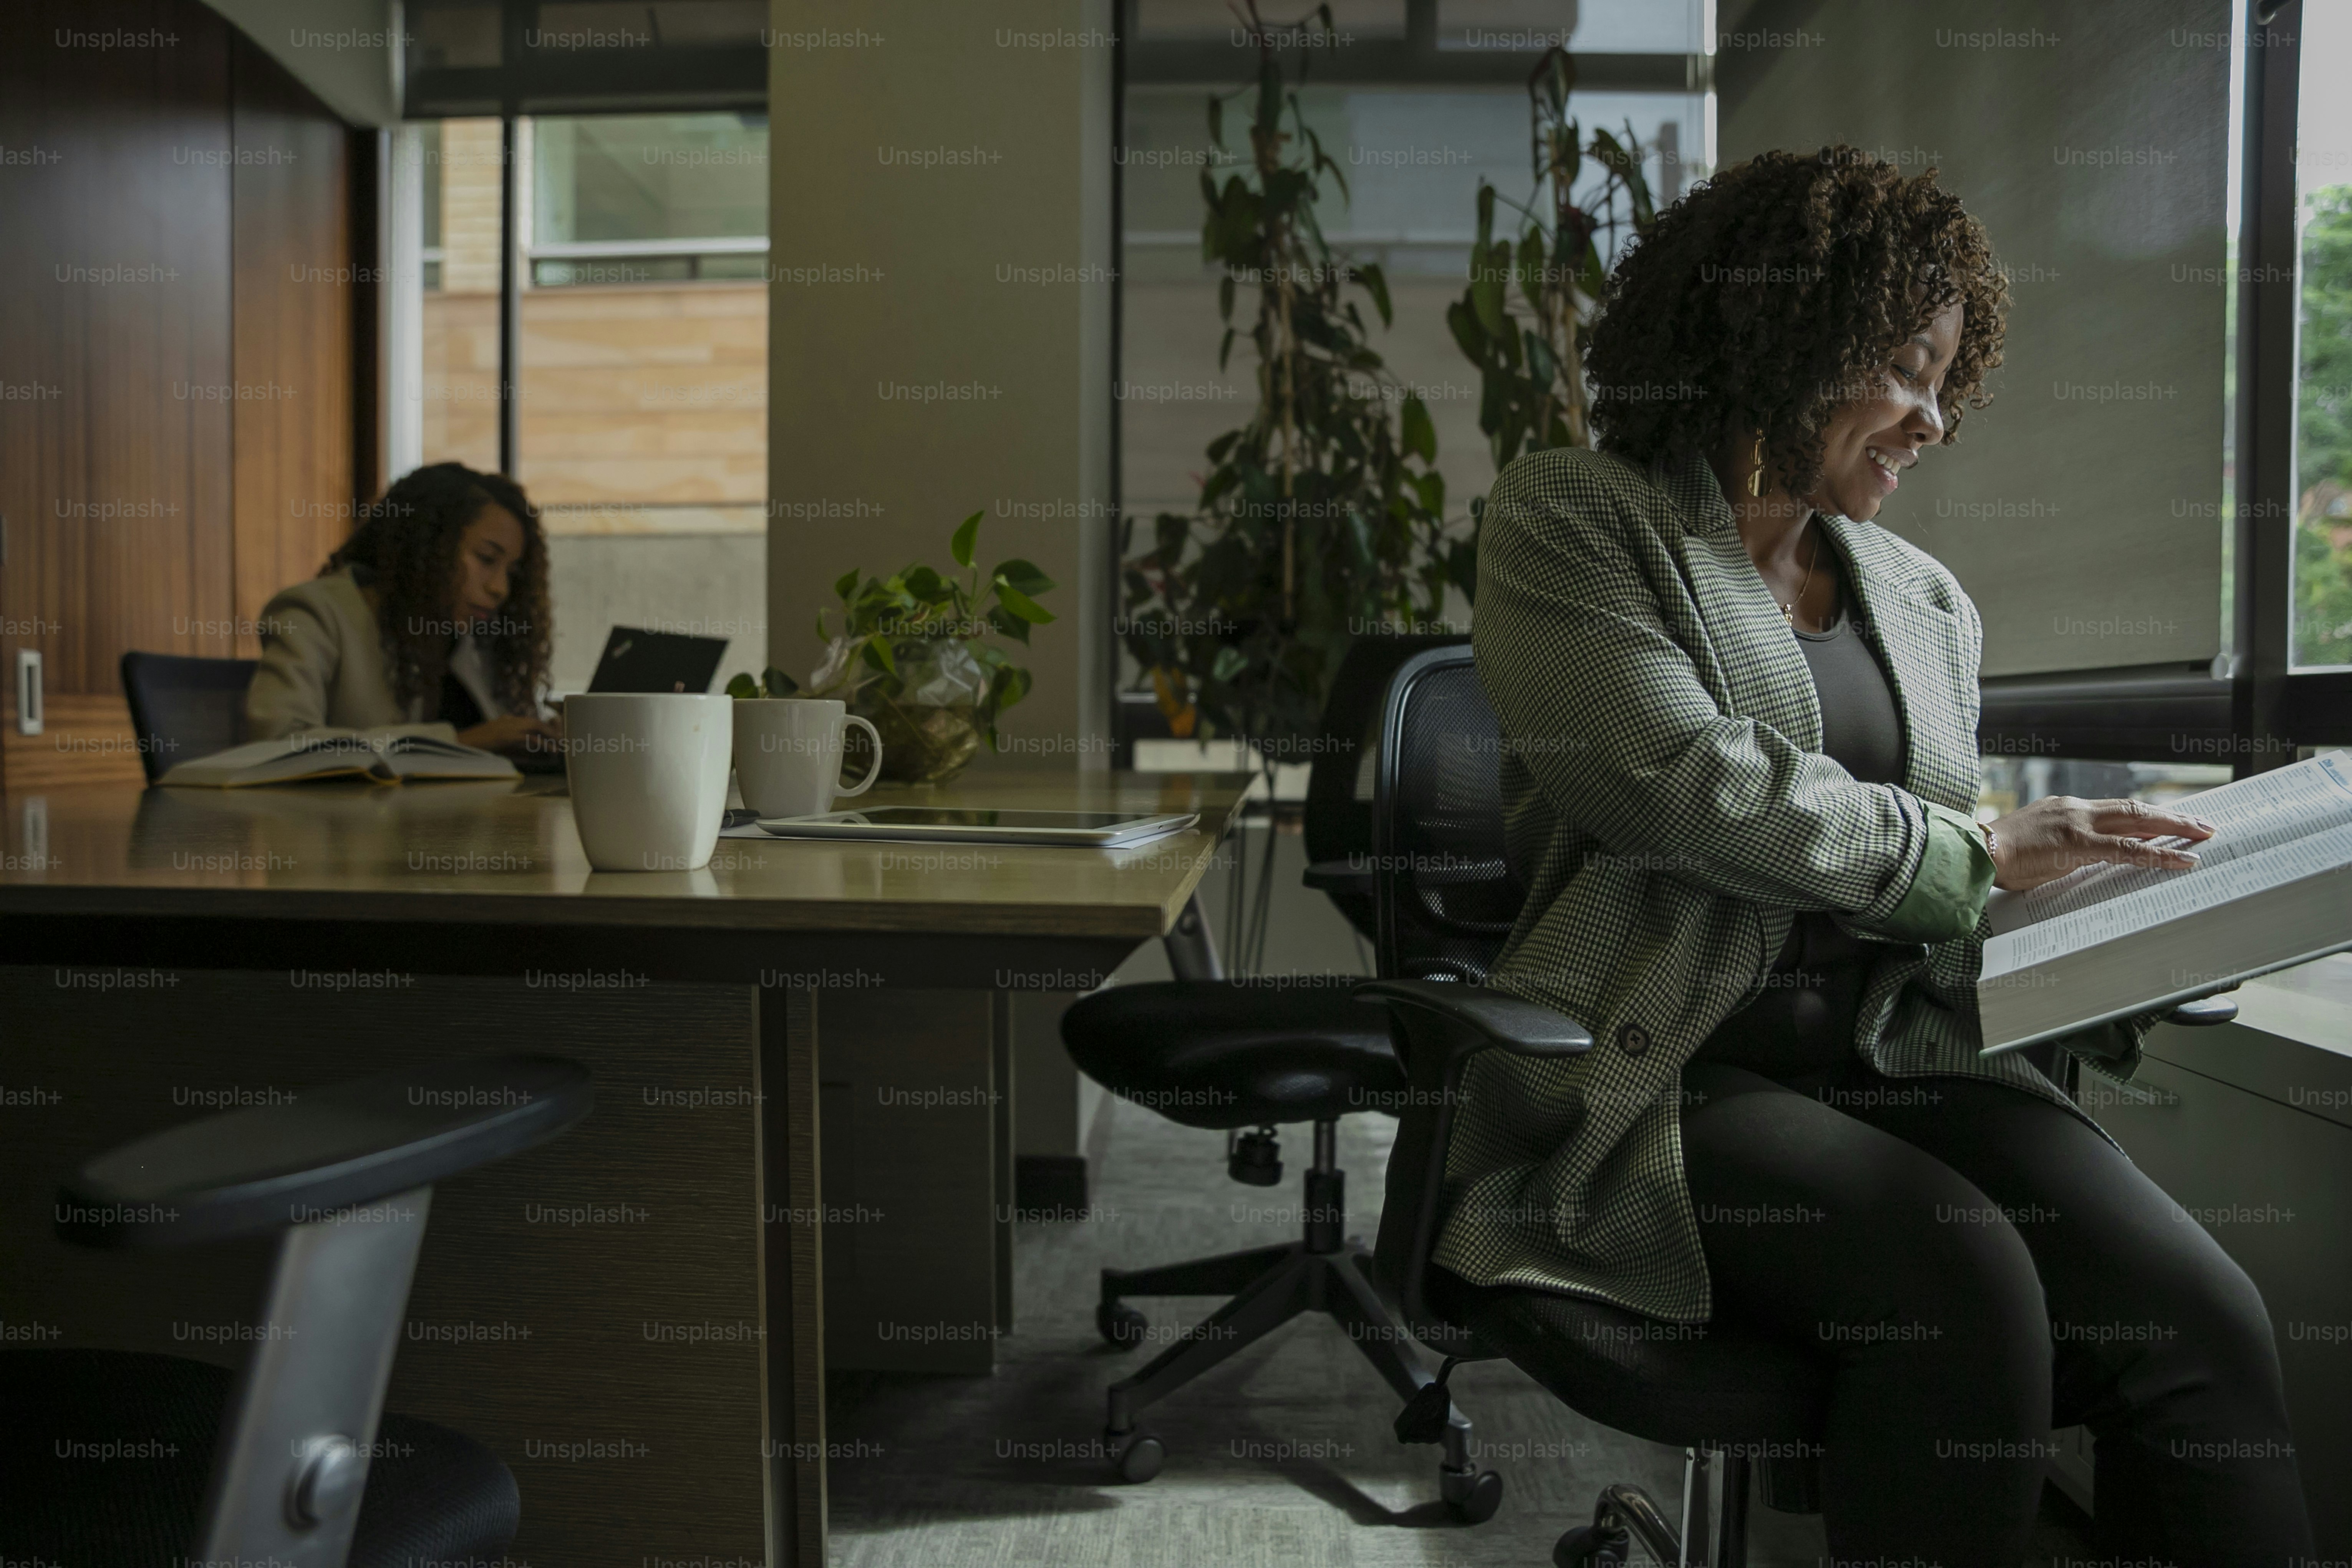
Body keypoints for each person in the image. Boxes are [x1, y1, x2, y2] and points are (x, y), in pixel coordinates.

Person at [1453, 148, 2311, 1566]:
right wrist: (1976, 849)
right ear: (1784, 334)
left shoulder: (1922, 600)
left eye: (1944, 379)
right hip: (1670, 1067)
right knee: (1960, 1278)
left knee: (2197, 1320)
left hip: (1901, 1055)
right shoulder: (1577, 522)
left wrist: (2124, 926)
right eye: (1906, 368)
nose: (1930, 418)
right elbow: (1687, 787)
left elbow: (1954, 894)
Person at [246, 462, 562, 757]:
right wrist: (459, 742)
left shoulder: (470, 638)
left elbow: (498, 738)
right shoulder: (316, 613)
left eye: (512, 572)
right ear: (425, 546)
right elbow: (278, 743)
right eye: (486, 559)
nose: (500, 589)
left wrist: (543, 736)